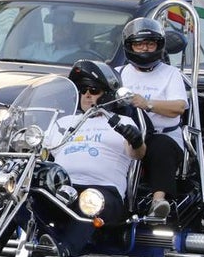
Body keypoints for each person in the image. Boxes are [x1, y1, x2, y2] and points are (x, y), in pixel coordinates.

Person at [46, 60, 146, 225]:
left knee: (88, 203)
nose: (86, 95)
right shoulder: (64, 122)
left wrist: (135, 140)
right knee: (22, 197)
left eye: (93, 90)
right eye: (82, 90)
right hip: (61, 187)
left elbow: (137, 154)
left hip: (102, 190)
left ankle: (63, 249)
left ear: (107, 94)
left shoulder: (122, 121)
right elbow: (43, 153)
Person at [117, 17, 188, 220]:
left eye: (150, 44)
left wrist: (146, 103)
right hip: (125, 134)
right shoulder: (119, 73)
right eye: (139, 45)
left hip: (161, 135)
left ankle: (158, 202)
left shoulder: (171, 74)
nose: (145, 49)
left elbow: (179, 107)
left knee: (160, 146)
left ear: (159, 45)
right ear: (130, 46)